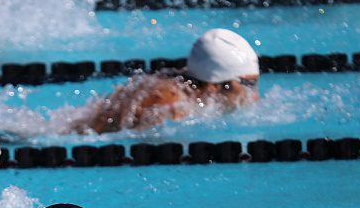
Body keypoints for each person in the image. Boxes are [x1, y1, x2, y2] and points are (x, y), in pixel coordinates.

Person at [68, 28, 260, 134]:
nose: (256, 96)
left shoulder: (187, 88)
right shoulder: (169, 102)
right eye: (249, 85)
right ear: (216, 84)